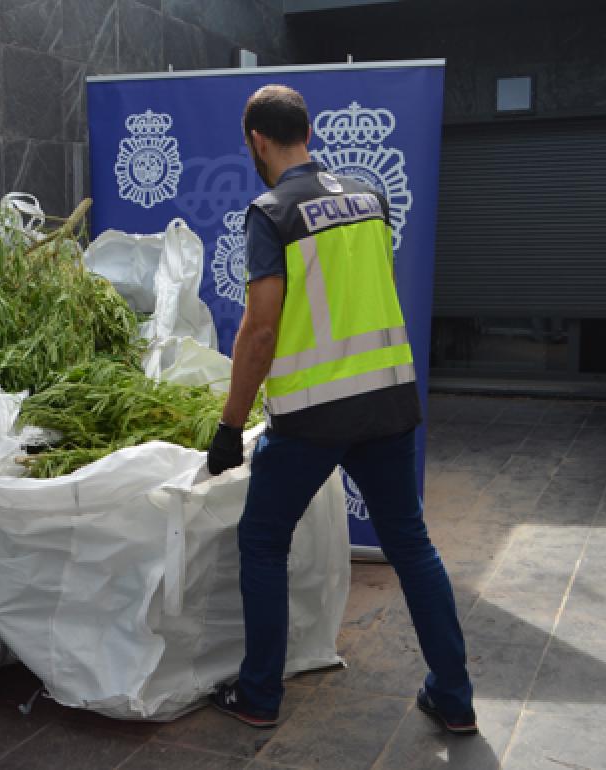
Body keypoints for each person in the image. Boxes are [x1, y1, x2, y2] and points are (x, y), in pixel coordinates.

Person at [205, 84, 477, 735]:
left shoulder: (270, 213)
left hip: (312, 417)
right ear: (310, 130)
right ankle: (456, 695)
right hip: (387, 404)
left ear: (256, 142)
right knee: (411, 545)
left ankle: (260, 696)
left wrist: (230, 425)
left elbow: (261, 331)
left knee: (263, 540)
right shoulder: (369, 198)